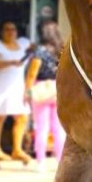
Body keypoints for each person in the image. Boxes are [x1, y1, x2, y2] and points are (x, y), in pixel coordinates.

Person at [0, 21, 32, 163]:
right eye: (7, 29)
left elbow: (36, 48)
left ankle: (17, 149)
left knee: (22, 117)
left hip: (17, 86)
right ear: (1, 32)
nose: (11, 32)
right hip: (0, 86)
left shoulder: (23, 43)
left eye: (13, 29)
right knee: (0, 117)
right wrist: (11, 63)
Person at [25, 20, 66, 171]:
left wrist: (27, 92)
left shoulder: (40, 51)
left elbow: (32, 74)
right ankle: (60, 160)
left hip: (41, 89)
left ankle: (41, 161)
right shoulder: (62, 49)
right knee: (58, 128)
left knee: (41, 127)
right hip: (57, 89)